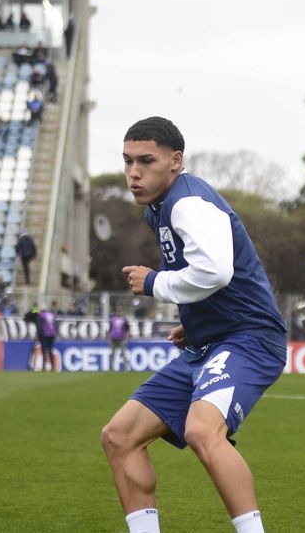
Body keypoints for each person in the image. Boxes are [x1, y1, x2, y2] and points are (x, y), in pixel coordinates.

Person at [103, 116, 287, 533]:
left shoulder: (186, 202)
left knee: (203, 431)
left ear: (175, 161)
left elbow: (216, 272)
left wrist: (154, 282)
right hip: (212, 340)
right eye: (128, 161)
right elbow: (215, 277)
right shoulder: (160, 207)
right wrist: (199, 320)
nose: (134, 172)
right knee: (119, 436)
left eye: (146, 161)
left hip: (249, 339)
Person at [108, 308, 131, 372]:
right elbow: (110, 328)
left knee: (123, 353)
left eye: (120, 311)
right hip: (113, 338)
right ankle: (111, 367)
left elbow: (127, 329)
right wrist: (109, 337)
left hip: (121, 338)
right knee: (112, 353)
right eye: (118, 311)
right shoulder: (112, 319)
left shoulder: (124, 320)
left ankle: (126, 367)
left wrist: (126, 337)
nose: (119, 313)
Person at [37, 304, 57, 371]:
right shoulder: (51, 315)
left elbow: (40, 326)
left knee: (44, 350)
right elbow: (55, 325)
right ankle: (53, 367)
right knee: (51, 350)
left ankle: (44, 367)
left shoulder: (41, 316)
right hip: (52, 335)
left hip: (44, 335)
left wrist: (38, 336)